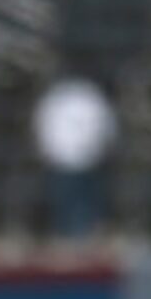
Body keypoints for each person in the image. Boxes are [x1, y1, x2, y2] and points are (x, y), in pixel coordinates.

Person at [32, 74, 116, 239]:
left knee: (87, 199)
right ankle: (67, 233)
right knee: (65, 198)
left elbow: (104, 126)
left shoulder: (89, 97)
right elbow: (45, 125)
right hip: (64, 157)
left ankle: (84, 234)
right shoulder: (58, 98)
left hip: (87, 158)